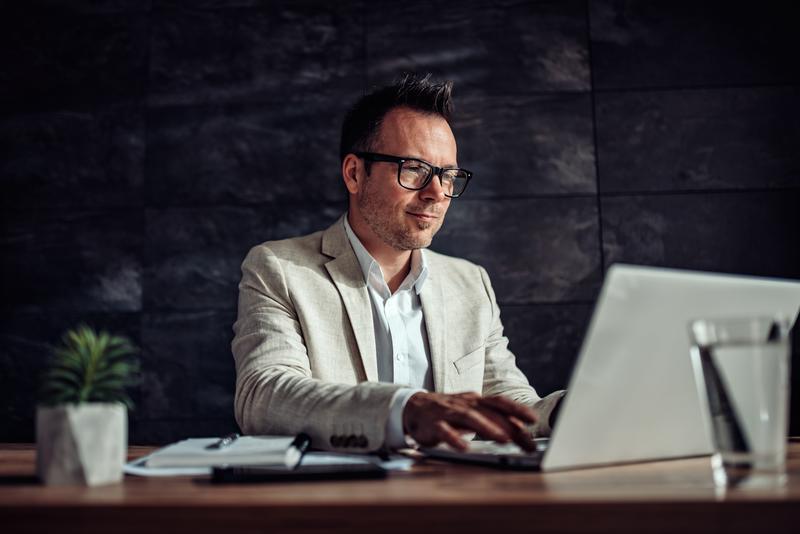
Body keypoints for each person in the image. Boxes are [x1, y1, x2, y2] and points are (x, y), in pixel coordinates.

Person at [232, 74, 564, 453]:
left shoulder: (470, 283)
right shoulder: (278, 268)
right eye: (414, 169)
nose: (437, 192)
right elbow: (264, 395)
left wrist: (561, 412)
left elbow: (504, 398)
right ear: (355, 174)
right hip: (338, 503)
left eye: (447, 175)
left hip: (452, 499)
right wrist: (405, 409)